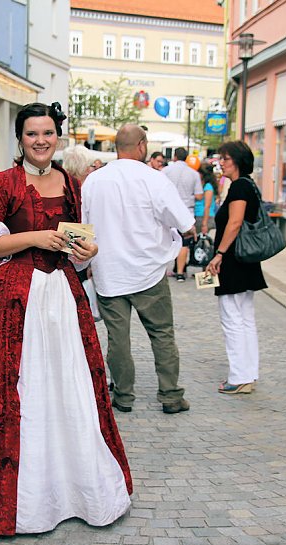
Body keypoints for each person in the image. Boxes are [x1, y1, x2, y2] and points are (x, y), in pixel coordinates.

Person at [0, 102, 132, 536]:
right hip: (14, 303)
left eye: (47, 133)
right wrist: (36, 237)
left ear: (58, 135)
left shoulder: (72, 184)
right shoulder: (3, 183)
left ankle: (74, 490)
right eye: (31, 134)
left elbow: (77, 237)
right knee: (20, 392)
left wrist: (87, 251)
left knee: (68, 388)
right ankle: (21, 500)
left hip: (62, 297)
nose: (40, 141)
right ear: (20, 139)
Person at [82, 124, 194, 415]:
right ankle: (170, 395)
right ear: (142, 145)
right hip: (149, 272)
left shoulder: (94, 181)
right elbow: (185, 223)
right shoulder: (154, 179)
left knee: (117, 337)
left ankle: (123, 396)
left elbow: (83, 226)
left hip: (109, 271)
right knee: (162, 334)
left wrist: (83, 264)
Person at [204, 141, 267, 396]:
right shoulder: (247, 185)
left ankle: (239, 376)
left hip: (233, 261)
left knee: (232, 319)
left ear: (238, 161)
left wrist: (218, 254)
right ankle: (248, 373)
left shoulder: (240, 186)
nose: (221, 162)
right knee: (245, 318)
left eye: (226, 159)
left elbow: (235, 222)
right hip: (244, 261)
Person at [162, 147, 201, 282]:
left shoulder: (166, 171)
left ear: (174, 157)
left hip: (168, 211)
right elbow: (199, 195)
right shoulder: (193, 173)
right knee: (184, 242)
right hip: (187, 211)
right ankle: (180, 271)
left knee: (167, 240)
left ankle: (165, 270)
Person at [196, 161, 218, 236]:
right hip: (200, 216)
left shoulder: (208, 187)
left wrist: (204, 224)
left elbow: (207, 206)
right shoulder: (203, 185)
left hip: (203, 217)